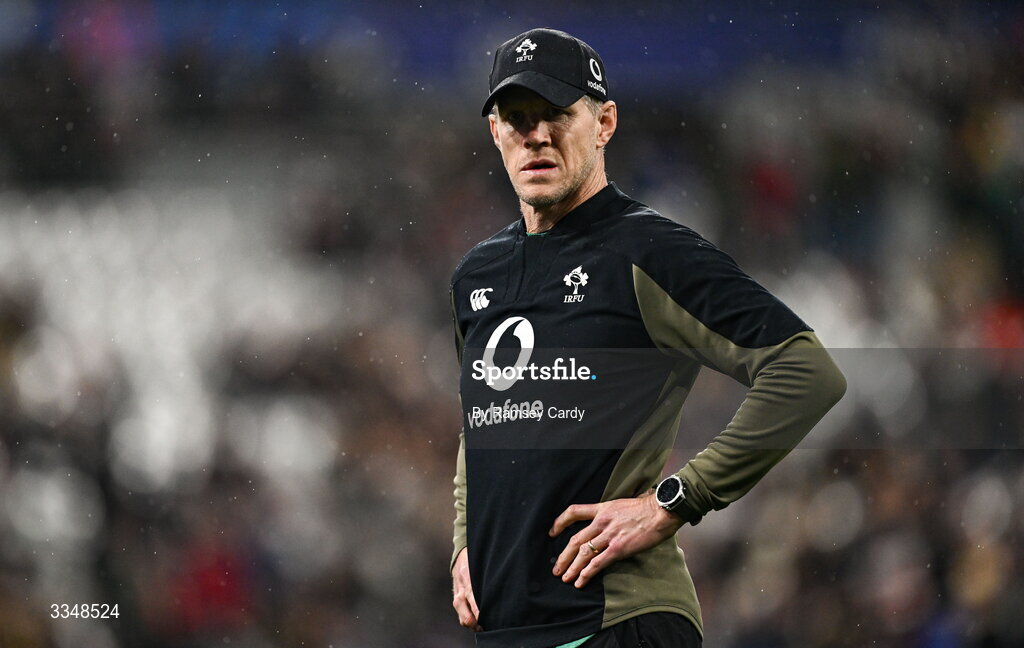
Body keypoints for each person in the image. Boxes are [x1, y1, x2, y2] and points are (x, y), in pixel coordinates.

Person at [448, 28, 846, 648]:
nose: (537, 135)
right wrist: (464, 544)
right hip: (507, 630)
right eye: (516, 117)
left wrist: (675, 499)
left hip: (619, 623)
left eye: (557, 114)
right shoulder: (477, 274)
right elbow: (485, 424)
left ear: (605, 122)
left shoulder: (649, 250)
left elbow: (805, 370)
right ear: (494, 132)